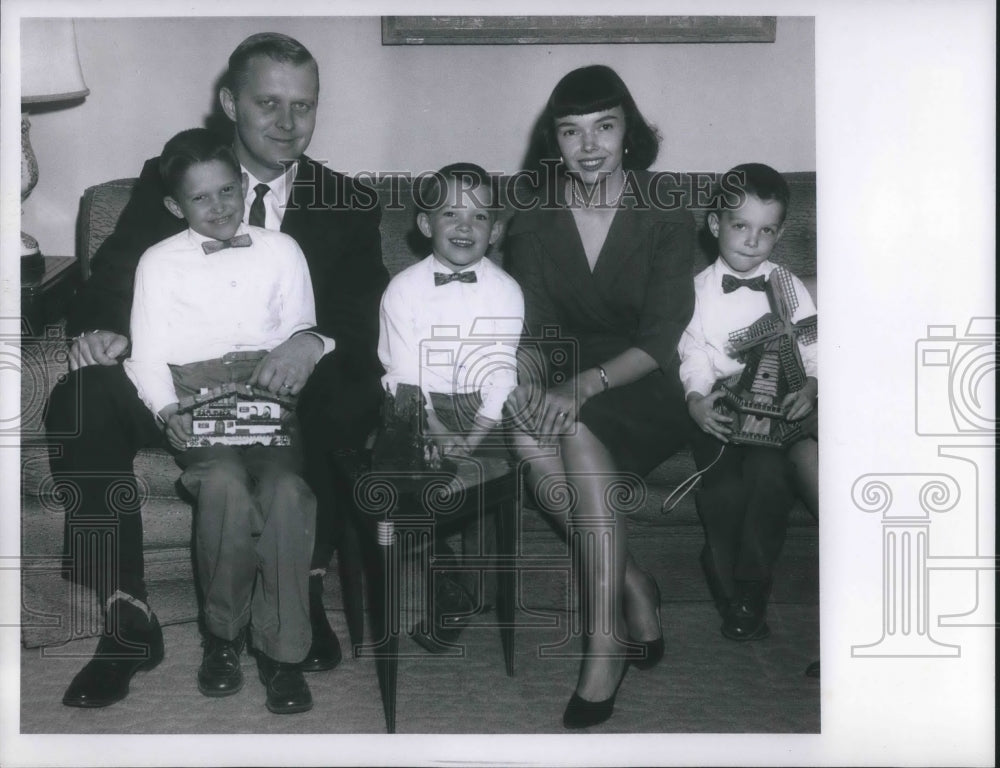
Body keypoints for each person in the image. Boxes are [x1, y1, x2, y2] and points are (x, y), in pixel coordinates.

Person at [46, 32, 387, 709]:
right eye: (269, 103)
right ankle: (127, 616)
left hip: (287, 378)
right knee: (79, 400)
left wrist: (309, 342)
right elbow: (117, 269)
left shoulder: (349, 200)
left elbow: (360, 312)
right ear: (230, 102)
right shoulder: (173, 174)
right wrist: (105, 326)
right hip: (173, 368)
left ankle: (300, 590)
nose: (289, 124)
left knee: (348, 395)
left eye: (305, 106)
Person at [504, 65, 696, 729]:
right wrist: (527, 380)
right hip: (567, 374)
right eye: (571, 130)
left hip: (646, 377)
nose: (589, 146)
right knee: (527, 431)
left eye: (604, 127)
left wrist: (583, 386)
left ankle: (604, 640)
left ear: (628, 134)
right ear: (554, 141)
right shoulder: (532, 215)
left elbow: (664, 336)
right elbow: (531, 328)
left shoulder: (665, 207)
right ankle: (635, 583)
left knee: (578, 429)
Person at [124, 128, 318, 713]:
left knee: (286, 488)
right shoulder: (157, 263)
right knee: (227, 486)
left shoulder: (282, 249)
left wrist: (298, 358)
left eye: (228, 191)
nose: (220, 207)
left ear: (244, 186)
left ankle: (283, 652)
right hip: (195, 397)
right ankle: (224, 637)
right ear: (174, 207)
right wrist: (166, 412)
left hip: (267, 395)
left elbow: (300, 332)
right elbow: (147, 354)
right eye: (201, 198)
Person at [377, 163, 524, 650]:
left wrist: (474, 437)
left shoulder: (505, 291)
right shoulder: (403, 289)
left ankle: (474, 593)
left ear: (496, 231)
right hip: (420, 404)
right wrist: (438, 430)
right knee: (405, 475)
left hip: (485, 409)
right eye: (451, 213)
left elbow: (501, 374)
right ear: (425, 224)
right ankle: (447, 581)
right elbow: (405, 375)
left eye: (480, 217)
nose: (465, 226)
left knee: (482, 482)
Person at [677, 162, 819, 642]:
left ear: (779, 234)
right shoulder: (695, 291)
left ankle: (750, 588)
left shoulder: (788, 286)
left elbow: (815, 345)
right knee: (721, 492)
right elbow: (693, 352)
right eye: (741, 226)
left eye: (767, 230)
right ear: (716, 224)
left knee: (767, 478)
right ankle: (724, 569)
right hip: (722, 406)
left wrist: (810, 387)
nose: (753, 240)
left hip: (778, 405)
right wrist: (697, 400)